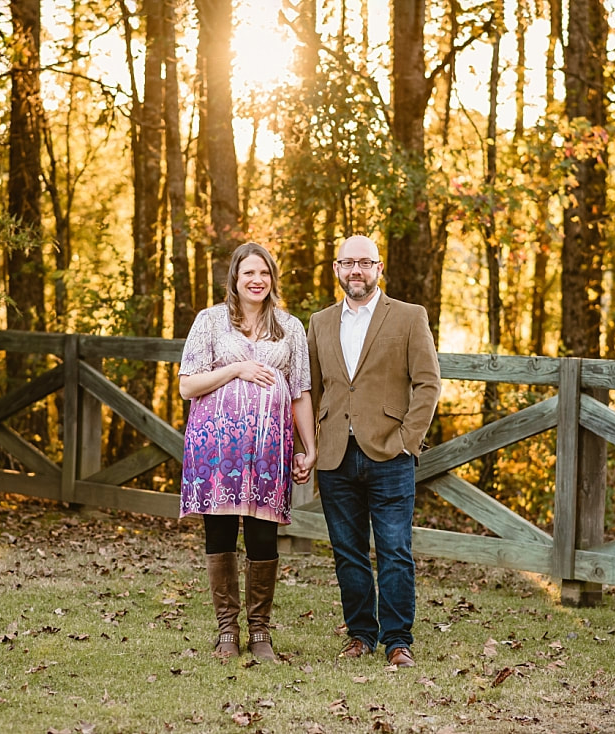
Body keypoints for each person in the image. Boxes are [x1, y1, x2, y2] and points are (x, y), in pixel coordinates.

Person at [304, 234, 441, 668]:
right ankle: (361, 633)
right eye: (348, 263)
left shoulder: (408, 316)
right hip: (335, 455)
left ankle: (397, 639)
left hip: (390, 454)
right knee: (347, 551)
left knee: (395, 549)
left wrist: (407, 441)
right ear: (337, 269)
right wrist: (308, 445)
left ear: (379, 268)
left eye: (365, 263)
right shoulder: (320, 322)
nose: (356, 271)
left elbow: (428, 384)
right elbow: (309, 388)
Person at [179, 242, 316, 662]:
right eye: (248, 273)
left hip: (269, 448)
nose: (257, 280)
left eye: (264, 274)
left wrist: (310, 447)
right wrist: (237, 369)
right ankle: (226, 631)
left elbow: (300, 392)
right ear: (235, 279)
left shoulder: (290, 327)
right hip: (217, 449)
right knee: (219, 534)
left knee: (263, 537)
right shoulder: (210, 322)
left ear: (272, 280)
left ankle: (259, 633)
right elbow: (187, 385)